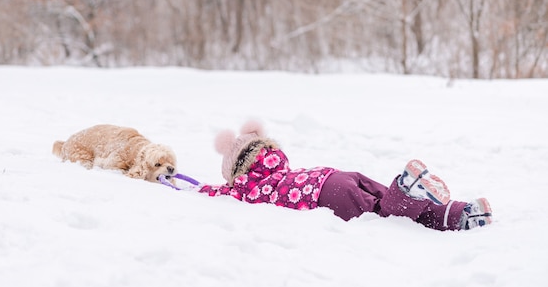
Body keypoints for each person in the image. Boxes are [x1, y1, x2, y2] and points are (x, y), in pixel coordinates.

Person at [196, 120, 492, 231]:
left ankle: (407, 187)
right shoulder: (280, 168)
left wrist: (195, 188)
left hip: (327, 194)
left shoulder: (246, 186)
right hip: (337, 176)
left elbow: (217, 192)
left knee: (385, 213)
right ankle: (461, 214)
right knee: (386, 200)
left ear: (236, 171)